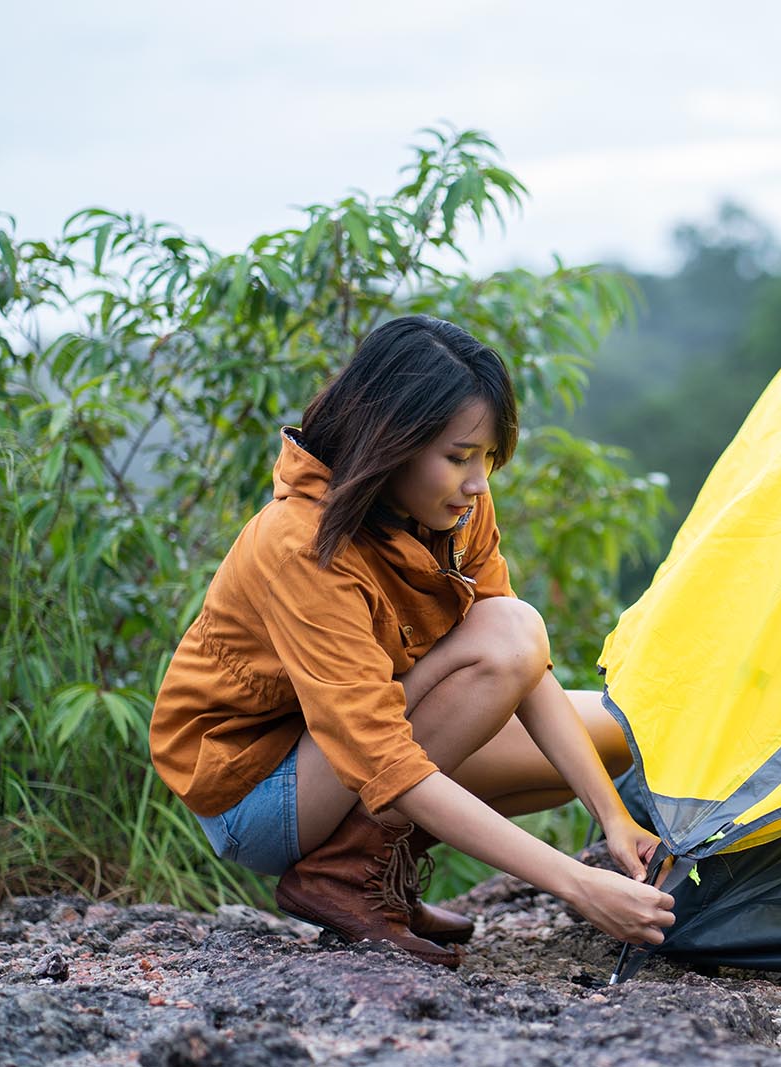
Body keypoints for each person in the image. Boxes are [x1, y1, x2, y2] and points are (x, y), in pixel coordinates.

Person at [149, 315, 674, 969]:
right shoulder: (302, 543)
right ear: (390, 442)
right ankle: (342, 873)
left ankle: (368, 866)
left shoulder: (452, 509)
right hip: (259, 790)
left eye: (486, 457)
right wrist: (577, 881)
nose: (479, 481)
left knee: (618, 731)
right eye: (458, 457)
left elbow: (521, 663)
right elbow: (384, 761)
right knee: (513, 633)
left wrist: (615, 818)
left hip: (353, 754)